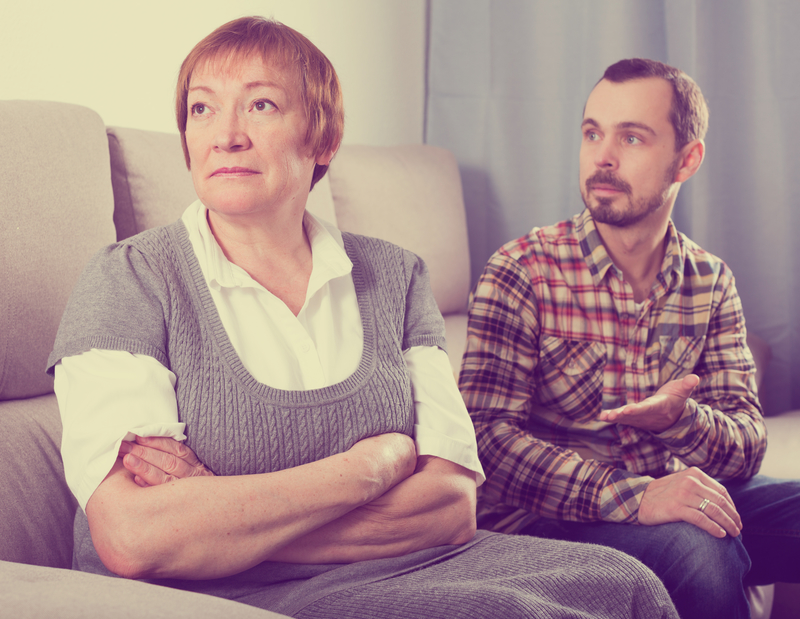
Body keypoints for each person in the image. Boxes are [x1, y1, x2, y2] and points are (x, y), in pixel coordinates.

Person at [46, 18, 679, 619]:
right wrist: (366, 471)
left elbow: (452, 509)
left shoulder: (398, 277)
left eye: (261, 105)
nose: (225, 134)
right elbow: (135, 537)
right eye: (202, 108)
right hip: (214, 593)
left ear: (322, 139)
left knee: (627, 582)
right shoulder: (129, 279)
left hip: (411, 565)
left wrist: (224, 516)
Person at [459, 57, 800, 619]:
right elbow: (485, 441)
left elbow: (746, 446)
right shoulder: (522, 269)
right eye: (592, 133)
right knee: (699, 548)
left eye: (632, 137)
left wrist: (680, 421)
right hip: (551, 522)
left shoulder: (709, 281)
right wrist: (636, 497)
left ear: (686, 159)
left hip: (668, 495)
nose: (603, 156)